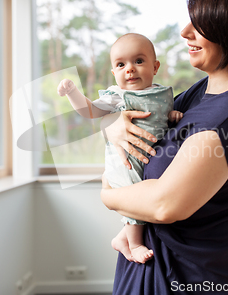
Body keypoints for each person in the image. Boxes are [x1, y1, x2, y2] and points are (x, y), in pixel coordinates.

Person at [100, 0, 228, 294]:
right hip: (154, 263)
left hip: (181, 278)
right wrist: (113, 124)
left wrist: (108, 196)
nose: (185, 32)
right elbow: (142, 122)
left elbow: (164, 205)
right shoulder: (207, 91)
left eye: (199, 25)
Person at [57, 33, 183, 264]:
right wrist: (73, 92)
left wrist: (172, 115)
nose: (130, 69)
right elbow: (90, 112)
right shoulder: (118, 96)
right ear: (114, 73)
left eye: (138, 61)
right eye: (121, 64)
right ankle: (134, 243)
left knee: (149, 191)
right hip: (125, 159)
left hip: (149, 155)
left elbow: (163, 118)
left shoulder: (162, 93)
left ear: (155, 67)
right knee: (135, 194)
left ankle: (122, 237)